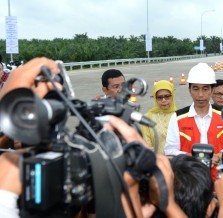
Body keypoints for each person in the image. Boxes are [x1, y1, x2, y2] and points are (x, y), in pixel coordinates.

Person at [0, 57, 188, 218]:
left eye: (123, 85)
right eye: (115, 87)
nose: (120, 90)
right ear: (105, 90)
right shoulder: (89, 119)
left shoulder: (132, 119)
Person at [164, 63, 223, 181]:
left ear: (212, 90)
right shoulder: (177, 118)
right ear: (189, 90)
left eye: (205, 89)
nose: (200, 95)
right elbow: (169, 151)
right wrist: (191, 158)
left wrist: (218, 156)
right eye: (196, 89)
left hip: (219, 181)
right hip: (187, 181)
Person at [141, 80, 177, 154]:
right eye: (160, 97)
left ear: (172, 96)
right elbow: (146, 145)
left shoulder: (180, 116)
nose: (163, 100)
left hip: (177, 161)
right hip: (156, 162)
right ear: (155, 98)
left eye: (167, 96)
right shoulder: (147, 118)